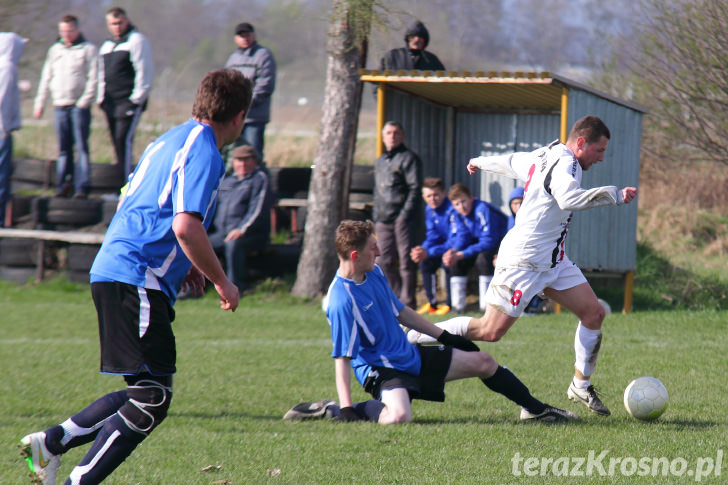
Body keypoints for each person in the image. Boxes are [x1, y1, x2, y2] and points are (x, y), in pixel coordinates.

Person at [19, 68, 252, 485]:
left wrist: (189, 265)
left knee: (145, 391)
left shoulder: (168, 140)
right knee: (151, 400)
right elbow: (185, 226)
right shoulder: (206, 151)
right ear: (239, 116)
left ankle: (51, 444)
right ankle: (75, 478)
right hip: (136, 276)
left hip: (116, 269)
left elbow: (146, 208)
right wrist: (220, 279)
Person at [409, 115, 638, 417]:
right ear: (581, 142)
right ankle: (410, 336)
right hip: (524, 260)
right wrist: (615, 195)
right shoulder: (565, 162)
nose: (601, 158)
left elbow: (513, 161)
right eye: (599, 150)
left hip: (553, 260)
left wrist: (480, 161)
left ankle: (580, 384)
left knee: (593, 314)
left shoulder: (544, 153)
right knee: (489, 330)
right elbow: (568, 198)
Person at [282, 220, 578, 424]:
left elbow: (402, 312)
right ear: (355, 255)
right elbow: (343, 358)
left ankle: (538, 411)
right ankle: (332, 412)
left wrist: (446, 337)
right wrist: (346, 407)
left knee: (485, 362)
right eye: (374, 248)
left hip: (408, 355)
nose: (380, 252)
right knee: (398, 417)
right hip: (382, 370)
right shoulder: (341, 299)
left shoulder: (373, 272)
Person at [34, 14, 97, 199]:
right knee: (63, 149)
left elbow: (94, 78)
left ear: (77, 30)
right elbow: (46, 77)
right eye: (63, 31)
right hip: (59, 105)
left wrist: (84, 101)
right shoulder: (55, 50)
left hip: (78, 106)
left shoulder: (88, 50)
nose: (66, 34)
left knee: (81, 148)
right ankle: (63, 185)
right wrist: (40, 103)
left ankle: (82, 187)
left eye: (69, 31)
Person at [98, 6, 153, 183]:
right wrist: (101, 98)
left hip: (128, 101)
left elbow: (144, 71)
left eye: (119, 22)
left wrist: (136, 99)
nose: (116, 27)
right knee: (116, 144)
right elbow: (101, 74)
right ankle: (120, 184)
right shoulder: (106, 46)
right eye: (112, 24)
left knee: (124, 141)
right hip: (111, 103)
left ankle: (127, 187)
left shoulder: (136, 40)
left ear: (126, 20)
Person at [208, 145, 273, 292]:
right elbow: (212, 207)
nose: (242, 164)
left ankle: (234, 287)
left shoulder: (259, 179)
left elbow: (257, 209)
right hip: (221, 233)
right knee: (195, 244)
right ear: (233, 162)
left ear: (255, 161)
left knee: (233, 244)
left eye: (246, 160)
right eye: (239, 160)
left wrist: (241, 229)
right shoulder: (227, 181)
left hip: (250, 234)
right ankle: (194, 288)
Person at [373, 121, 422, 309]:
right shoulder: (380, 160)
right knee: (382, 260)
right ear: (383, 136)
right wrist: (375, 215)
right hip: (383, 219)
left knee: (406, 262)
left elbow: (414, 189)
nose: (392, 136)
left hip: (402, 219)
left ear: (403, 136)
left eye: (396, 133)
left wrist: (404, 215)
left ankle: (408, 302)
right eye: (388, 133)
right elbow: (377, 191)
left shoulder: (409, 158)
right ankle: (396, 300)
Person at [443, 183, 507, 313]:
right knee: (456, 262)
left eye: (463, 201)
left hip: (500, 245)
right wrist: (453, 252)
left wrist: (462, 254)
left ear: (471, 198)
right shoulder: (458, 214)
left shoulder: (482, 209)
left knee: (482, 260)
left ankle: (486, 306)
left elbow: (489, 241)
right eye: (457, 204)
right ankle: (457, 307)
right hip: (481, 244)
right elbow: (463, 236)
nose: (461, 206)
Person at [224, 22, 276, 162]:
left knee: (253, 156)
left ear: (254, 36)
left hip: (254, 118)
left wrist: (244, 104)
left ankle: (259, 183)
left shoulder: (263, 55)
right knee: (234, 157)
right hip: (235, 118)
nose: (245, 38)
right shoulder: (233, 58)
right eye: (241, 35)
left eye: (248, 35)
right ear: (236, 39)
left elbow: (265, 86)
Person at [410, 177, 455, 315]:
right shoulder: (429, 210)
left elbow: (455, 240)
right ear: (423, 197)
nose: (433, 199)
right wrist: (422, 249)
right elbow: (432, 236)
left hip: (455, 249)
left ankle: (450, 304)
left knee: (448, 262)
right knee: (425, 262)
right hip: (441, 248)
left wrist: (429, 251)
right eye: (429, 196)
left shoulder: (452, 209)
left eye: (436, 195)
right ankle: (432, 304)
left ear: (444, 193)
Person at [0, 33, 25, 228]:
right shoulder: (7, 68)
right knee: (2, 177)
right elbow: (3, 101)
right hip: (1, 131)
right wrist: (4, 128)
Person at [380, 20, 445, 72]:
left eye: (420, 36)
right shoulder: (392, 56)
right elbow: (377, 81)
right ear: (408, 38)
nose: (417, 39)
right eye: (413, 36)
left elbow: (443, 83)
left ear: (425, 40)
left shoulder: (432, 60)